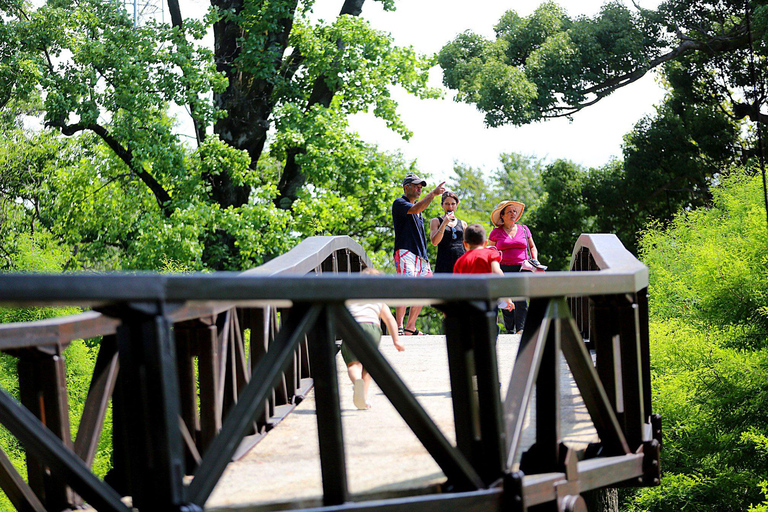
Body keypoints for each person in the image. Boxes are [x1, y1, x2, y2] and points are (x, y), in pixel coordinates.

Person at [341, 269, 405, 410]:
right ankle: (363, 398)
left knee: (354, 365)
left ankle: (357, 381)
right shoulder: (378, 301)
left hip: (352, 328)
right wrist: (396, 340)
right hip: (372, 329)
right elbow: (390, 320)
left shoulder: (350, 298)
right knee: (368, 367)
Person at [392, 173, 445, 336]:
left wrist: (425, 258)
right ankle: (398, 326)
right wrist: (434, 194)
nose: (419, 189)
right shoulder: (400, 203)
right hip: (405, 251)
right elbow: (416, 208)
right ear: (406, 187)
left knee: (424, 290)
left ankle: (410, 327)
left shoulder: (419, 210)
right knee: (406, 286)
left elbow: (419, 210)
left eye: (421, 187)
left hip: (421, 256)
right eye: (416, 186)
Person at [487, 200, 540, 334]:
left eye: (514, 211)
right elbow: (490, 249)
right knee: (506, 298)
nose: (513, 214)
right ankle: (510, 328)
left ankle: (520, 329)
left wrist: (535, 260)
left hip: (523, 268)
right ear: (502, 216)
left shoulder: (524, 229)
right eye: (509, 211)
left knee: (521, 299)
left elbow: (532, 246)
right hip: (503, 268)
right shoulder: (495, 232)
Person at [453, 223, 516, 312]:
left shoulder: (460, 261)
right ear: (485, 243)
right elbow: (498, 273)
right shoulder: (490, 254)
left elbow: (456, 286)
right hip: (487, 300)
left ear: (465, 244)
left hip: (468, 304)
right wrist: (507, 298)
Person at [429, 191, 467, 273]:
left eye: (453, 204)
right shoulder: (436, 221)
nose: (450, 207)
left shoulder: (463, 224)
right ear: (442, 205)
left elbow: (467, 246)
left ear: (457, 205)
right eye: (447, 204)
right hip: (443, 263)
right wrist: (444, 223)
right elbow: (435, 242)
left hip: (460, 262)